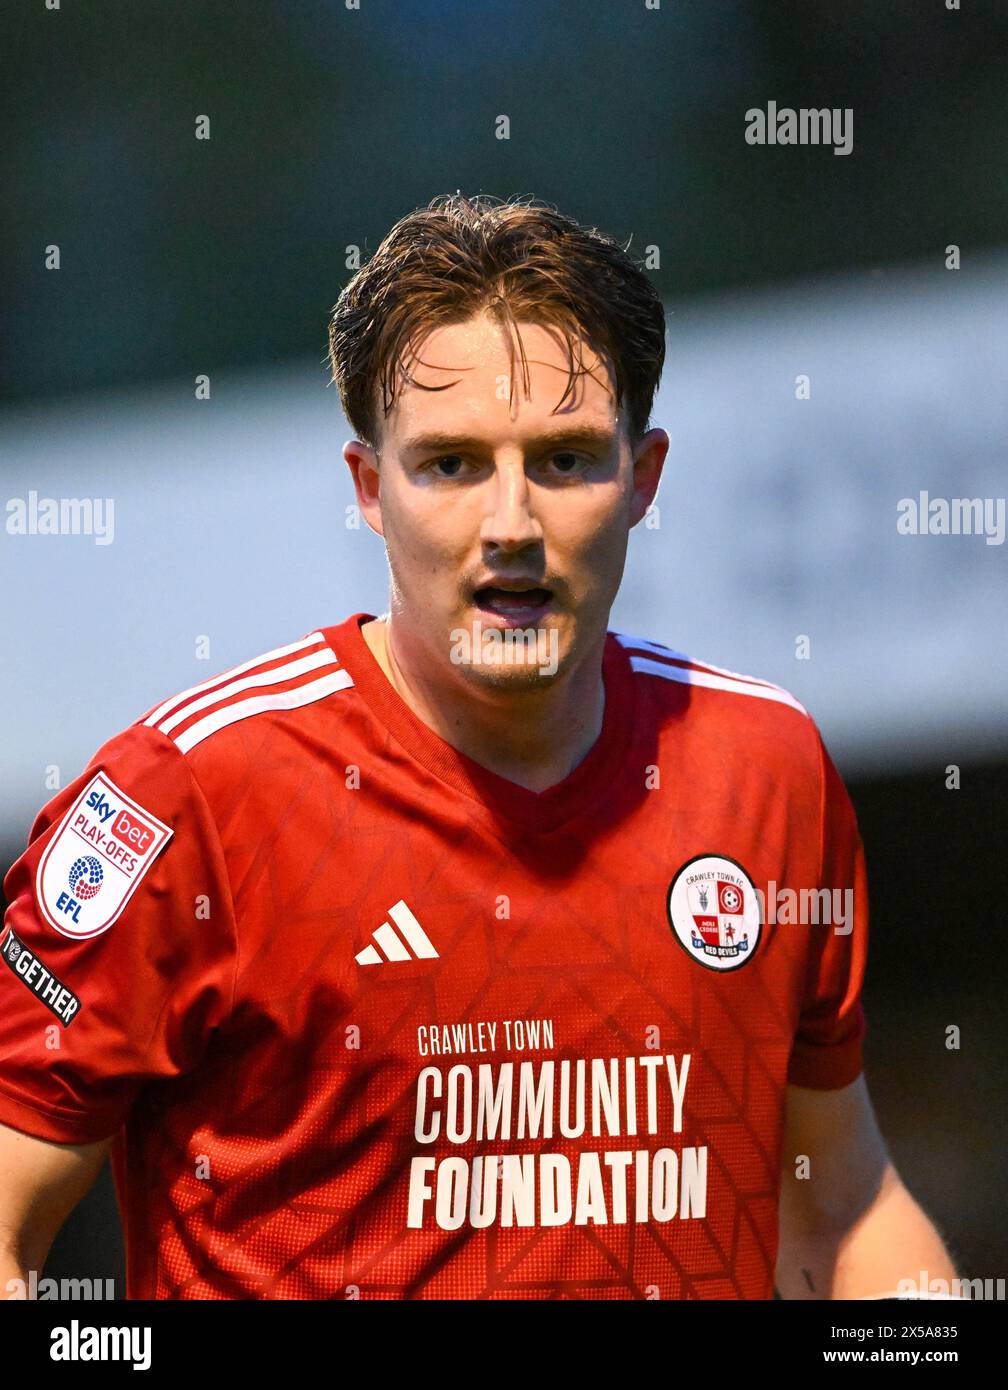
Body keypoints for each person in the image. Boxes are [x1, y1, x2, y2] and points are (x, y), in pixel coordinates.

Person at [0, 193, 957, 1300]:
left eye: (563, 460)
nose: (510, 522)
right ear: (370, 490)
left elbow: (843, 1213)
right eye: (450, 465)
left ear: (644, 479)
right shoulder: (179, 800)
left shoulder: (767, 769)